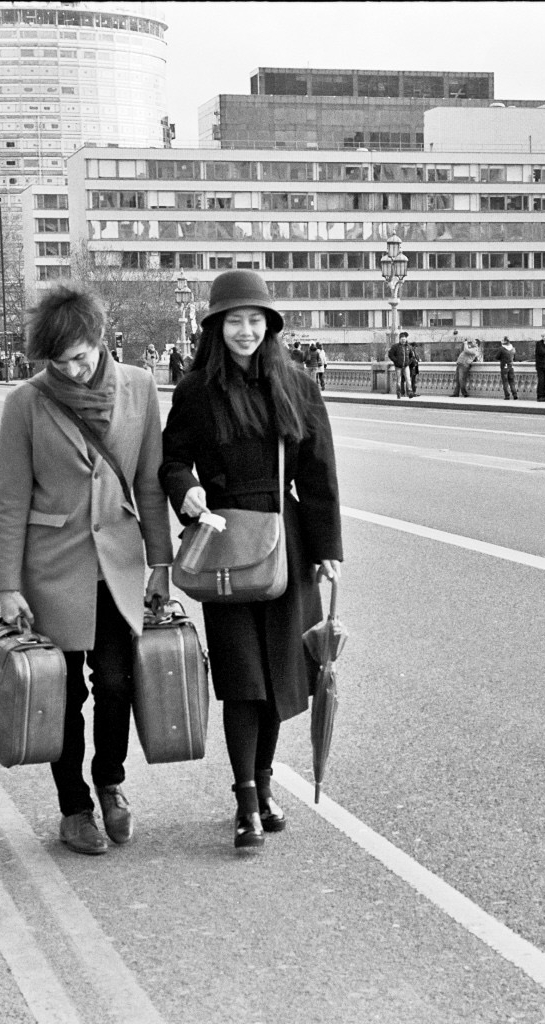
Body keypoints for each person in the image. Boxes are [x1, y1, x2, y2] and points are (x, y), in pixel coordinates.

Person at [160, 269, 342, 851]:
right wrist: (185, 491)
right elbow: (172, 461)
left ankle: (264, 786)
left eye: (255, 321)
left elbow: (319, 475)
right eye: (234, 321)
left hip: (285, 545)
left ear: (270, 327)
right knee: (242, 679)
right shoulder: (195, 391)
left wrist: (326, 550)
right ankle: (244, 800)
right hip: (225, 544)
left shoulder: (296, 385)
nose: (245, 331)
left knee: (280, 682)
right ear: (216, 327)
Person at [0, 285, 172, 856]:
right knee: (62, 694)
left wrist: (160, 564)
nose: (73, 368)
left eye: (82, 355)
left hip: (117, 566)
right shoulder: (27, 402)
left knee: (117, 683)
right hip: (53, 569)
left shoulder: (141, 388)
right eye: (60, 360)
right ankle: (74, 809)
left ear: (99, 339)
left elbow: (149, 483)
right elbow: (10, 498)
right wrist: (7, 584)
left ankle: (110, 781)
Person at [388, 331, 413, 398]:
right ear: (399, 339)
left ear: (406, 339)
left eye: (404, 339)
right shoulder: (395, 346)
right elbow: (390, 354)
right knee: (398, 380)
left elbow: (412, 356)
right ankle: (398, 393)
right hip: (398, 366)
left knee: (408, 379)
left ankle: (410, 392)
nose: (403, 341)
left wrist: (408, 362)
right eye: (402, 339)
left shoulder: (409, 347)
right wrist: (396, 361)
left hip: (406, 366)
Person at [498, 335, 519, 399]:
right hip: (511, 366)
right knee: (512, 381)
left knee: (505, 381)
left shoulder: (501, 349)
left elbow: (497, 357)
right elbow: (515, 357)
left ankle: (507, 396)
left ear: (504, 341)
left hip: (504, 366)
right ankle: (515, 394)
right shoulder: (513, 348)